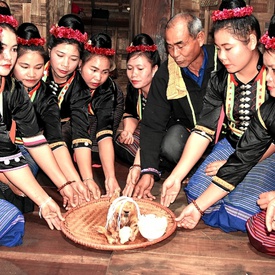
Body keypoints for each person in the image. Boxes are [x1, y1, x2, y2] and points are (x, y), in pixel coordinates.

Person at [161, 0, 274, 233]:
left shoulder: (271, 80)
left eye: (228, 48)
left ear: (252, 41)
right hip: (234, 146)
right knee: (196, 192)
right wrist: (176, 175)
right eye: (218, 48)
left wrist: (234, 165)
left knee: (238, 210)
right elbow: (203, 130)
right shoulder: (220, 80)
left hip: (267, 152)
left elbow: (265, 142)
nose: (221, 56)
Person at [131, 12, 222, 199]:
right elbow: (153, 123)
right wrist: (147, 170)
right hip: (191, 140)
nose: (175, 54)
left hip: (225, 139)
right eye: (170, 47)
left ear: (200, 38)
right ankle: (195, 168)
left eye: (181, 45)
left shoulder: (221, 61)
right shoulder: (167, 72)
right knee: (171, 143)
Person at [0, 8, 64, 247]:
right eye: (1, 48)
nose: (8, 57)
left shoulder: (13, 89)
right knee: (13, 221)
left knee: (16, 219)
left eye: (13, 49)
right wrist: (45, 200)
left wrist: (65, 185)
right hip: (5, 159)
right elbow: (5, 151)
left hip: (6, 159)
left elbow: (35, 139)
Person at [9, 22, 90, 211]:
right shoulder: (6, 89)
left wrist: (72, 183)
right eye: (24, 66)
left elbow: (53, 141)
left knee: (23, 199)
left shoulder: (45, 95)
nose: (32, 73)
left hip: (25, 149)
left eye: (38, 67)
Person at [42, 14, 102, 199]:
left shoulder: (79, 86)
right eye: (60, 55)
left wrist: (86, 179)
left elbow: (80, 131)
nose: (65, 64)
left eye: (73, 59)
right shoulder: (34, 72)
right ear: (50, 49)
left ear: (80, 62)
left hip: (60, 135)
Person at [113, 33, 161, 196]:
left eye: (140, 69)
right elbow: (131, 113)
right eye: (130, 68)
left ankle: (152, 165)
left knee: (166, 147)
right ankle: (153, 163)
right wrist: (128, 131)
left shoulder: (162, 91)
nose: (134, 74)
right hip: (147, 132)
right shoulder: (135, 88)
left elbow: (158, 130)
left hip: (164, 135)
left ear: (154, 69)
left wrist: (139, 164)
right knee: (120, 142)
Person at [244, 15, 275, 256]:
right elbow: (246, 152)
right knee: (258, 230)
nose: (269, 79)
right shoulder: (270, 109)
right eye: (267, 69)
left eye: (274, 70)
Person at [80, 32, 123, 196]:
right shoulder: (70, 85)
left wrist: (110, 177)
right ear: (80, 64)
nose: (98, 77)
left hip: (97, 137)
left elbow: (105, 131)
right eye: (93, 70)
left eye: (105, 72)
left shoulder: (109, 90)